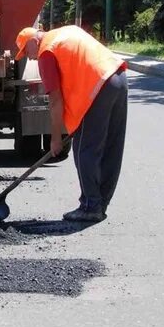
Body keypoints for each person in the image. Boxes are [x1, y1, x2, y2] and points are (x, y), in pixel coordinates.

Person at [15, 25, 128, 222]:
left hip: (97, 89)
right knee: (111, 147)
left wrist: (56, 138)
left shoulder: (46, 52)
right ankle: (100, 203)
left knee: (84, 149)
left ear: (34, 41)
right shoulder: (66, 32)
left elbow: (55, 100)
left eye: (26, 51)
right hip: (118, 77)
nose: (28, 57)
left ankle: (91, 206)